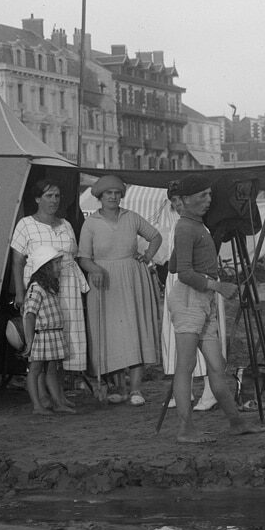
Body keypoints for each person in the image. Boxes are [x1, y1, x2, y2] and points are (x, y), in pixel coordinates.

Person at [165, 174, 251, 443]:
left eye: (209, 195)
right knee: (186, 366)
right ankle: (185, 429)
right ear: (185, 200)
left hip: (203, 301)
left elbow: (172, 265)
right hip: (190, 300)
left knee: (217, 365)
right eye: (202, 196)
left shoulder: (195, 226)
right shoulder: (186, 227)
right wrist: (217, 286)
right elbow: (183, 274)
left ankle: (236, 422)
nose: (208, 200)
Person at [78, 174, 164, 406]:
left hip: (132, 278)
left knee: (134, 331)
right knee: (112, 335)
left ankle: (136, 390)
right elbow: (84, 258)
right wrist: (94, 269)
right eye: (108, 194)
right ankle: (121, 389)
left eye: (117, 193)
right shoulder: (91, 223)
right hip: (103, 283)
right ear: (99, 197)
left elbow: (156, 236)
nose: (113, 197)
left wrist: (147, 256)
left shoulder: (131, 217)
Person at [9, 179, 90, 393]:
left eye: (57, 196)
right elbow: (17, 261)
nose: (54, 200)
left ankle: (59, 395)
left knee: (63, 338)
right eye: (48, 196)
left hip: (68, 286)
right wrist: (20, 291)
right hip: (41, 288)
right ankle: (42, 397)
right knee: (42, 340)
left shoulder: (66, 225)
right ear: (37, 199)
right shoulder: (26, 224)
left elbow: (73, 256)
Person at [20, 246, 75, 416]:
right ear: (45, 267)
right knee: (35, 370)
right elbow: (29, 315)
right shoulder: (36, 288)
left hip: (53, 335)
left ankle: (58, 403)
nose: (59, 268)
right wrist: (29, 342)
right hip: (41, 336)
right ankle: (37, 405)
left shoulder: (50, 287)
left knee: (52, 369)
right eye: (56, 264)